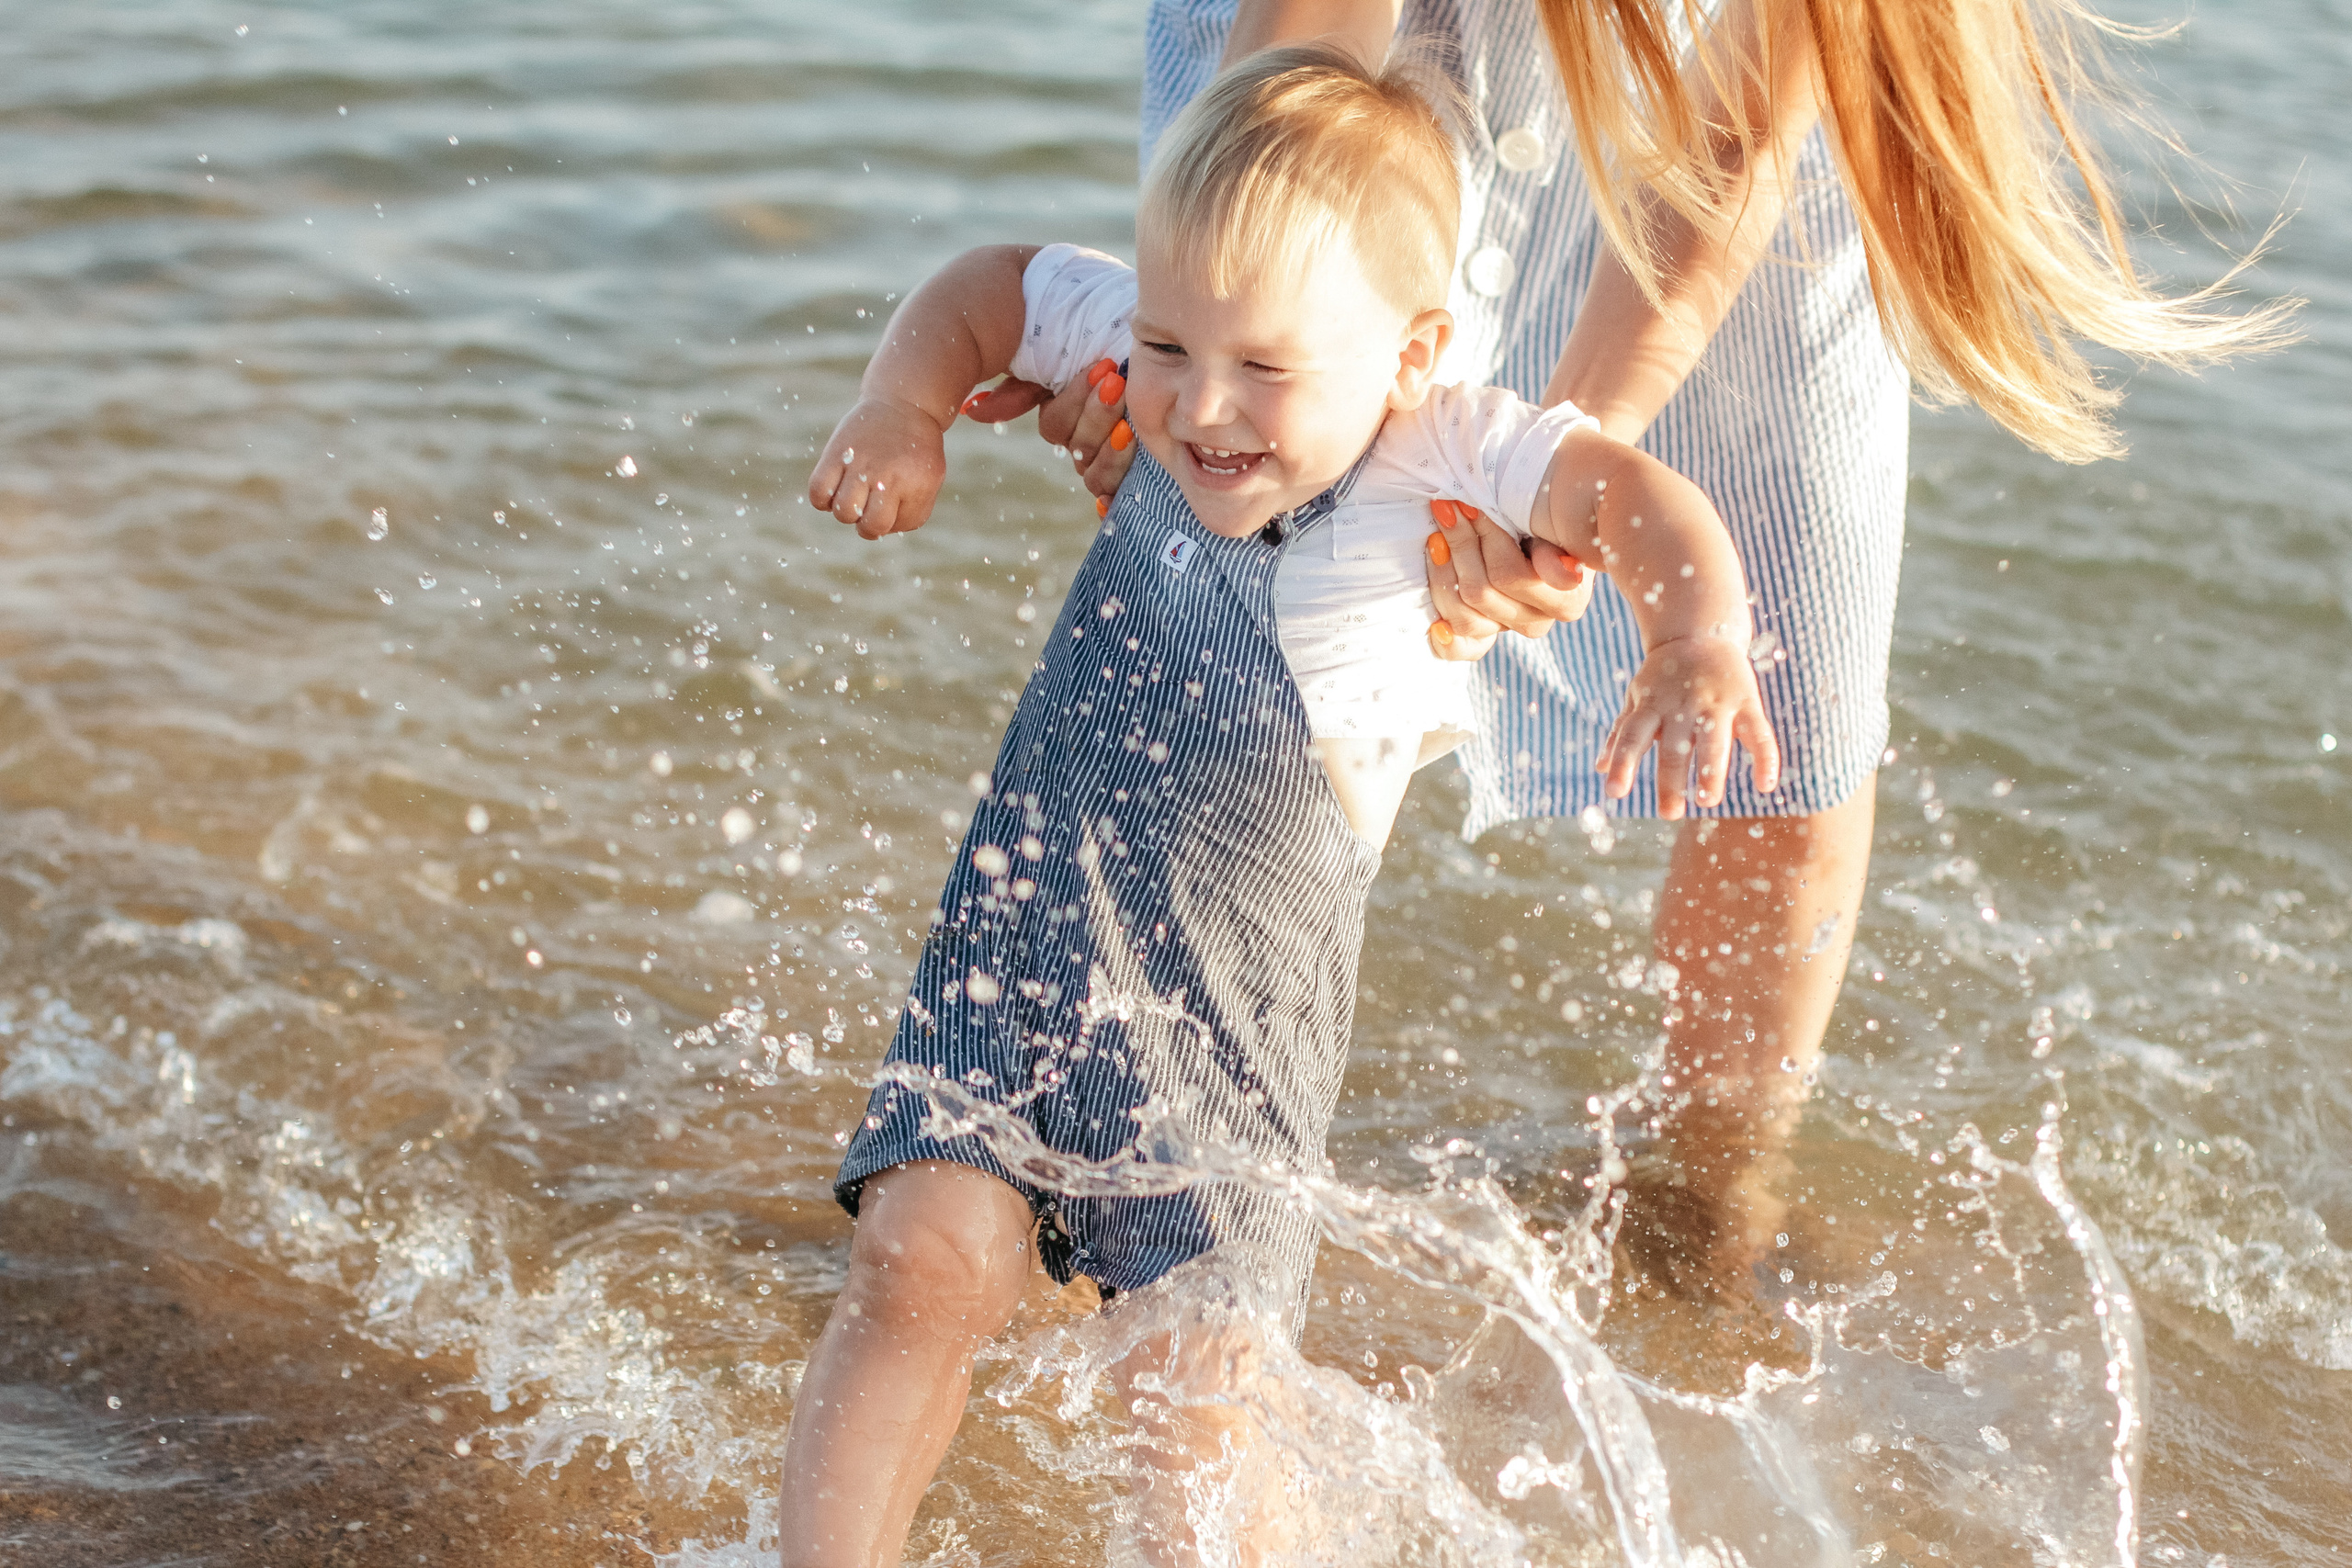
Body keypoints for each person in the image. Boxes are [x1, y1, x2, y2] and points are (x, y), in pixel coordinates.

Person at [1001, 0, 2289, 1286]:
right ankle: (1098, 1113)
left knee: (1790, 686)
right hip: (1342, 79)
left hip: (1730, 109)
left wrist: (1563, 466)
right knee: (1248, 591)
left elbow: (1730, 138)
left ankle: (1710, 1193)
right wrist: (1206, 365)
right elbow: (1307, 52)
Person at [782, 44, 1782, 1565]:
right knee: (917, 1266)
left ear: (1410, 350)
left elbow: (1632, 501)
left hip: (1232, 1038)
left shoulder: (1443, 447)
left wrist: (1697, 633)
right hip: (1020, 936)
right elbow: (988, 284)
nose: (1195, 406)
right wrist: (900, 403)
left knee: (1190, 1400)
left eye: (1265, 370)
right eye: (1170, 347)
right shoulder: (1156, 338)